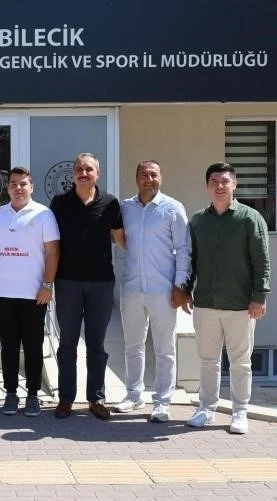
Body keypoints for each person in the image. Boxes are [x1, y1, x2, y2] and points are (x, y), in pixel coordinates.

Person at [184, 162, 270, 434]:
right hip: (206, 303)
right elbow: (190, 260)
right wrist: (185, 289)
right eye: (214, 181)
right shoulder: (198, 220)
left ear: (235, 184)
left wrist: (259, 296)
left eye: (224, 181)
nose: (219, 186)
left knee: (240, 362)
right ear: (207, 186)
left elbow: (261, 261)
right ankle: (206, 408)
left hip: (240, 305)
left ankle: (240, 411)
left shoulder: (250, 218)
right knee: (207, 360)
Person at [50, 152, 125, 420]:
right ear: (73, 174)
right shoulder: (60, 203)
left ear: (98, 173)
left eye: (89, 169)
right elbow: (50, 243)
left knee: (96, 344)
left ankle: (96, 398)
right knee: (67, 343)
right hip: (67, 281)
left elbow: (122, 241)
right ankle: (66, 398)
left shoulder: (110, 203)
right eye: (79, 169)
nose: (84, 173)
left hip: (101, 282)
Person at [115, 161, 191, 423]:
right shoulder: (125, 208)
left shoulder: (172, 208)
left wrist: (181, 285)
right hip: (132, 288)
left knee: (164, 348)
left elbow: (184, 249)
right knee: (132, 346)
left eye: (153, 174)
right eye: (143, 175)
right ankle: (133, 395)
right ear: (136, 178)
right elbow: (119, 239)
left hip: (163, 289)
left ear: (161, 177)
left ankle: (162, 401)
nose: (148, 179)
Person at [0, 167, 60, 417]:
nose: (18, 188)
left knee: (33, 346)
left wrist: (47, 285)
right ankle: (10, 393)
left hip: (34, 294)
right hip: (3, 293)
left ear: (31, 187)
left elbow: (53, 252)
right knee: (8, 346)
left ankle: (32, 394)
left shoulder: (44, 214)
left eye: (23, 184)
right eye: (13, 184)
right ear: (7, 188)